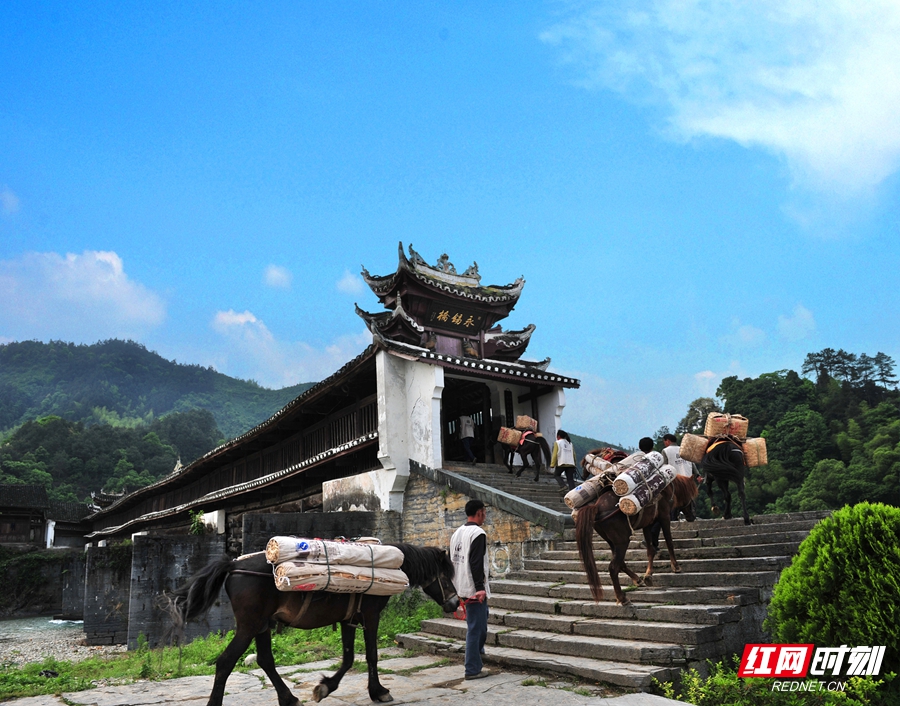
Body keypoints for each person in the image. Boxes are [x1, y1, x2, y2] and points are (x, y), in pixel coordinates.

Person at [450, 499, 492, 680]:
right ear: (480, 512)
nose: (485, 515)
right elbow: (475, 563)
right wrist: (480, 589)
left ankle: (478, 652)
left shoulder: (457, 532)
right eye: (484, 512)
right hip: (473, 588)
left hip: (461, 585)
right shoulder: (478, 533)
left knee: (481, 621)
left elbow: (451, 560)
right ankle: (472, 669)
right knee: (476, 628)